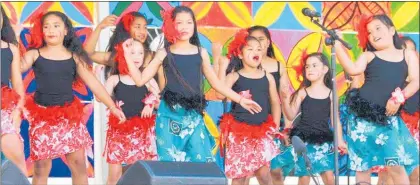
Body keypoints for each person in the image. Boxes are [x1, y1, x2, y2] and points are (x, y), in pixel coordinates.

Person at [124, 6, 262, 163]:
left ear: (194, 25)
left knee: (201, 164)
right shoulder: (164, 53)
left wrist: (240, 99)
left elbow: (216, 84)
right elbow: (140, 80)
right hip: (169, 117)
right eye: (179, 22)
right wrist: (127, 55)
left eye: (189, 22)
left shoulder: (201, 52)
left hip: (193, 117)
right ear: (171, 25)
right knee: (169, 167)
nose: (184, 27)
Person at [20, 11, 125, 185]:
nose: (51, 30)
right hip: (42, 118)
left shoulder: (74, 58)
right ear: (41, 31)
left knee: (78, 164)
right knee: (41, 168)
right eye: (46, 26)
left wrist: (112, 106)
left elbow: (94, 84)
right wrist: (11, 44)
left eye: (56, 25)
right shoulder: (34, 54)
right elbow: (16, 68)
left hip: (68, 118)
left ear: (66, 30)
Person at [335, 14, 419, 184]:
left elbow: (416, 80)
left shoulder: (407, 54)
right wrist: (337, 44)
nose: (373, 34)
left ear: (392, 30)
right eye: (369, 32)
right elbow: (352, 69)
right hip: (361, 119)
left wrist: (398, 98)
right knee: (363, 168)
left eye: (378, 28)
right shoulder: (368, 56)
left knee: (396, 166)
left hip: (388, 118)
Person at [0, 5, 27, 176]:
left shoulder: (11, 49)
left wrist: (18, 110)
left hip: (5, 107)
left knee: (14, 151)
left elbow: (17, 83)